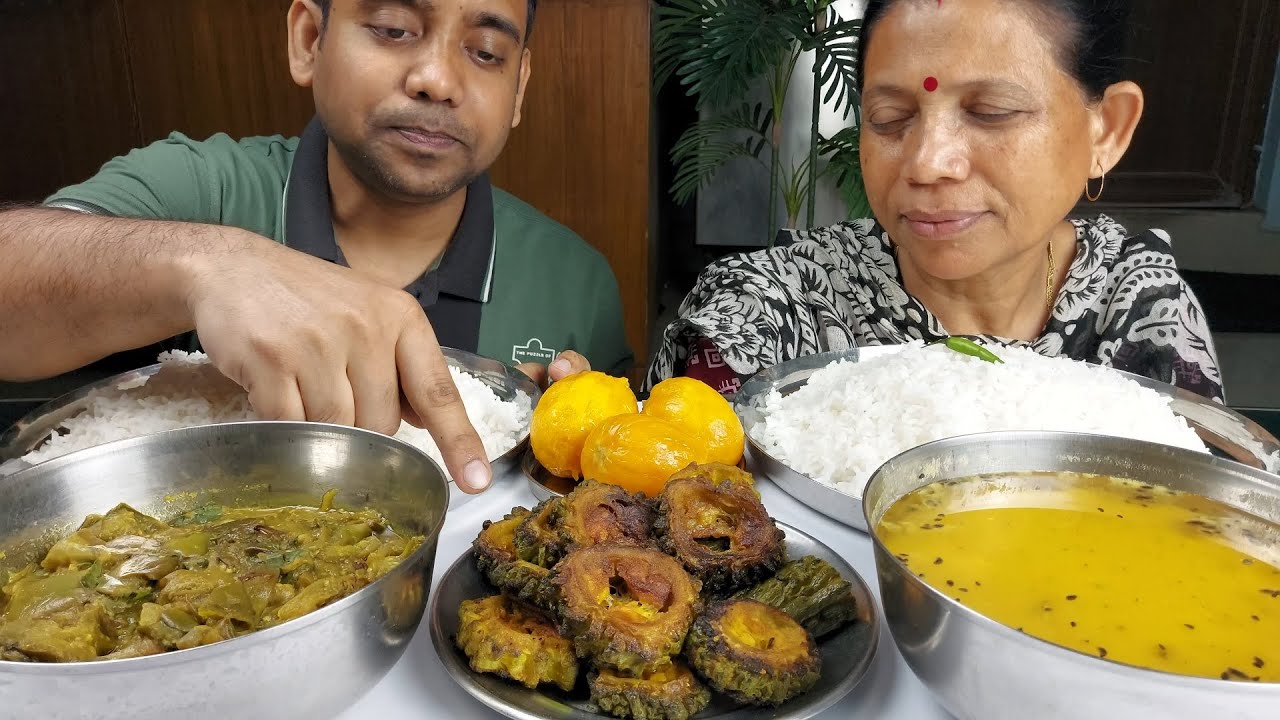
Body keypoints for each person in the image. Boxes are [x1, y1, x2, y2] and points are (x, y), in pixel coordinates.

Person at [0, 0, 632, 493]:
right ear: (309, 39)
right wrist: (211, 267)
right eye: (393, 29)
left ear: (519, 88)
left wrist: (566, 453)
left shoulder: (577, 282)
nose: (438, 80)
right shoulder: (202, 189)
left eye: (486, 52)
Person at [645, 0, 1223, 403]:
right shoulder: (773, 308)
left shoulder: (1140, 302)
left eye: (991, 112)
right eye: (889, 118)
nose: (926, 163)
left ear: (1107, 130)